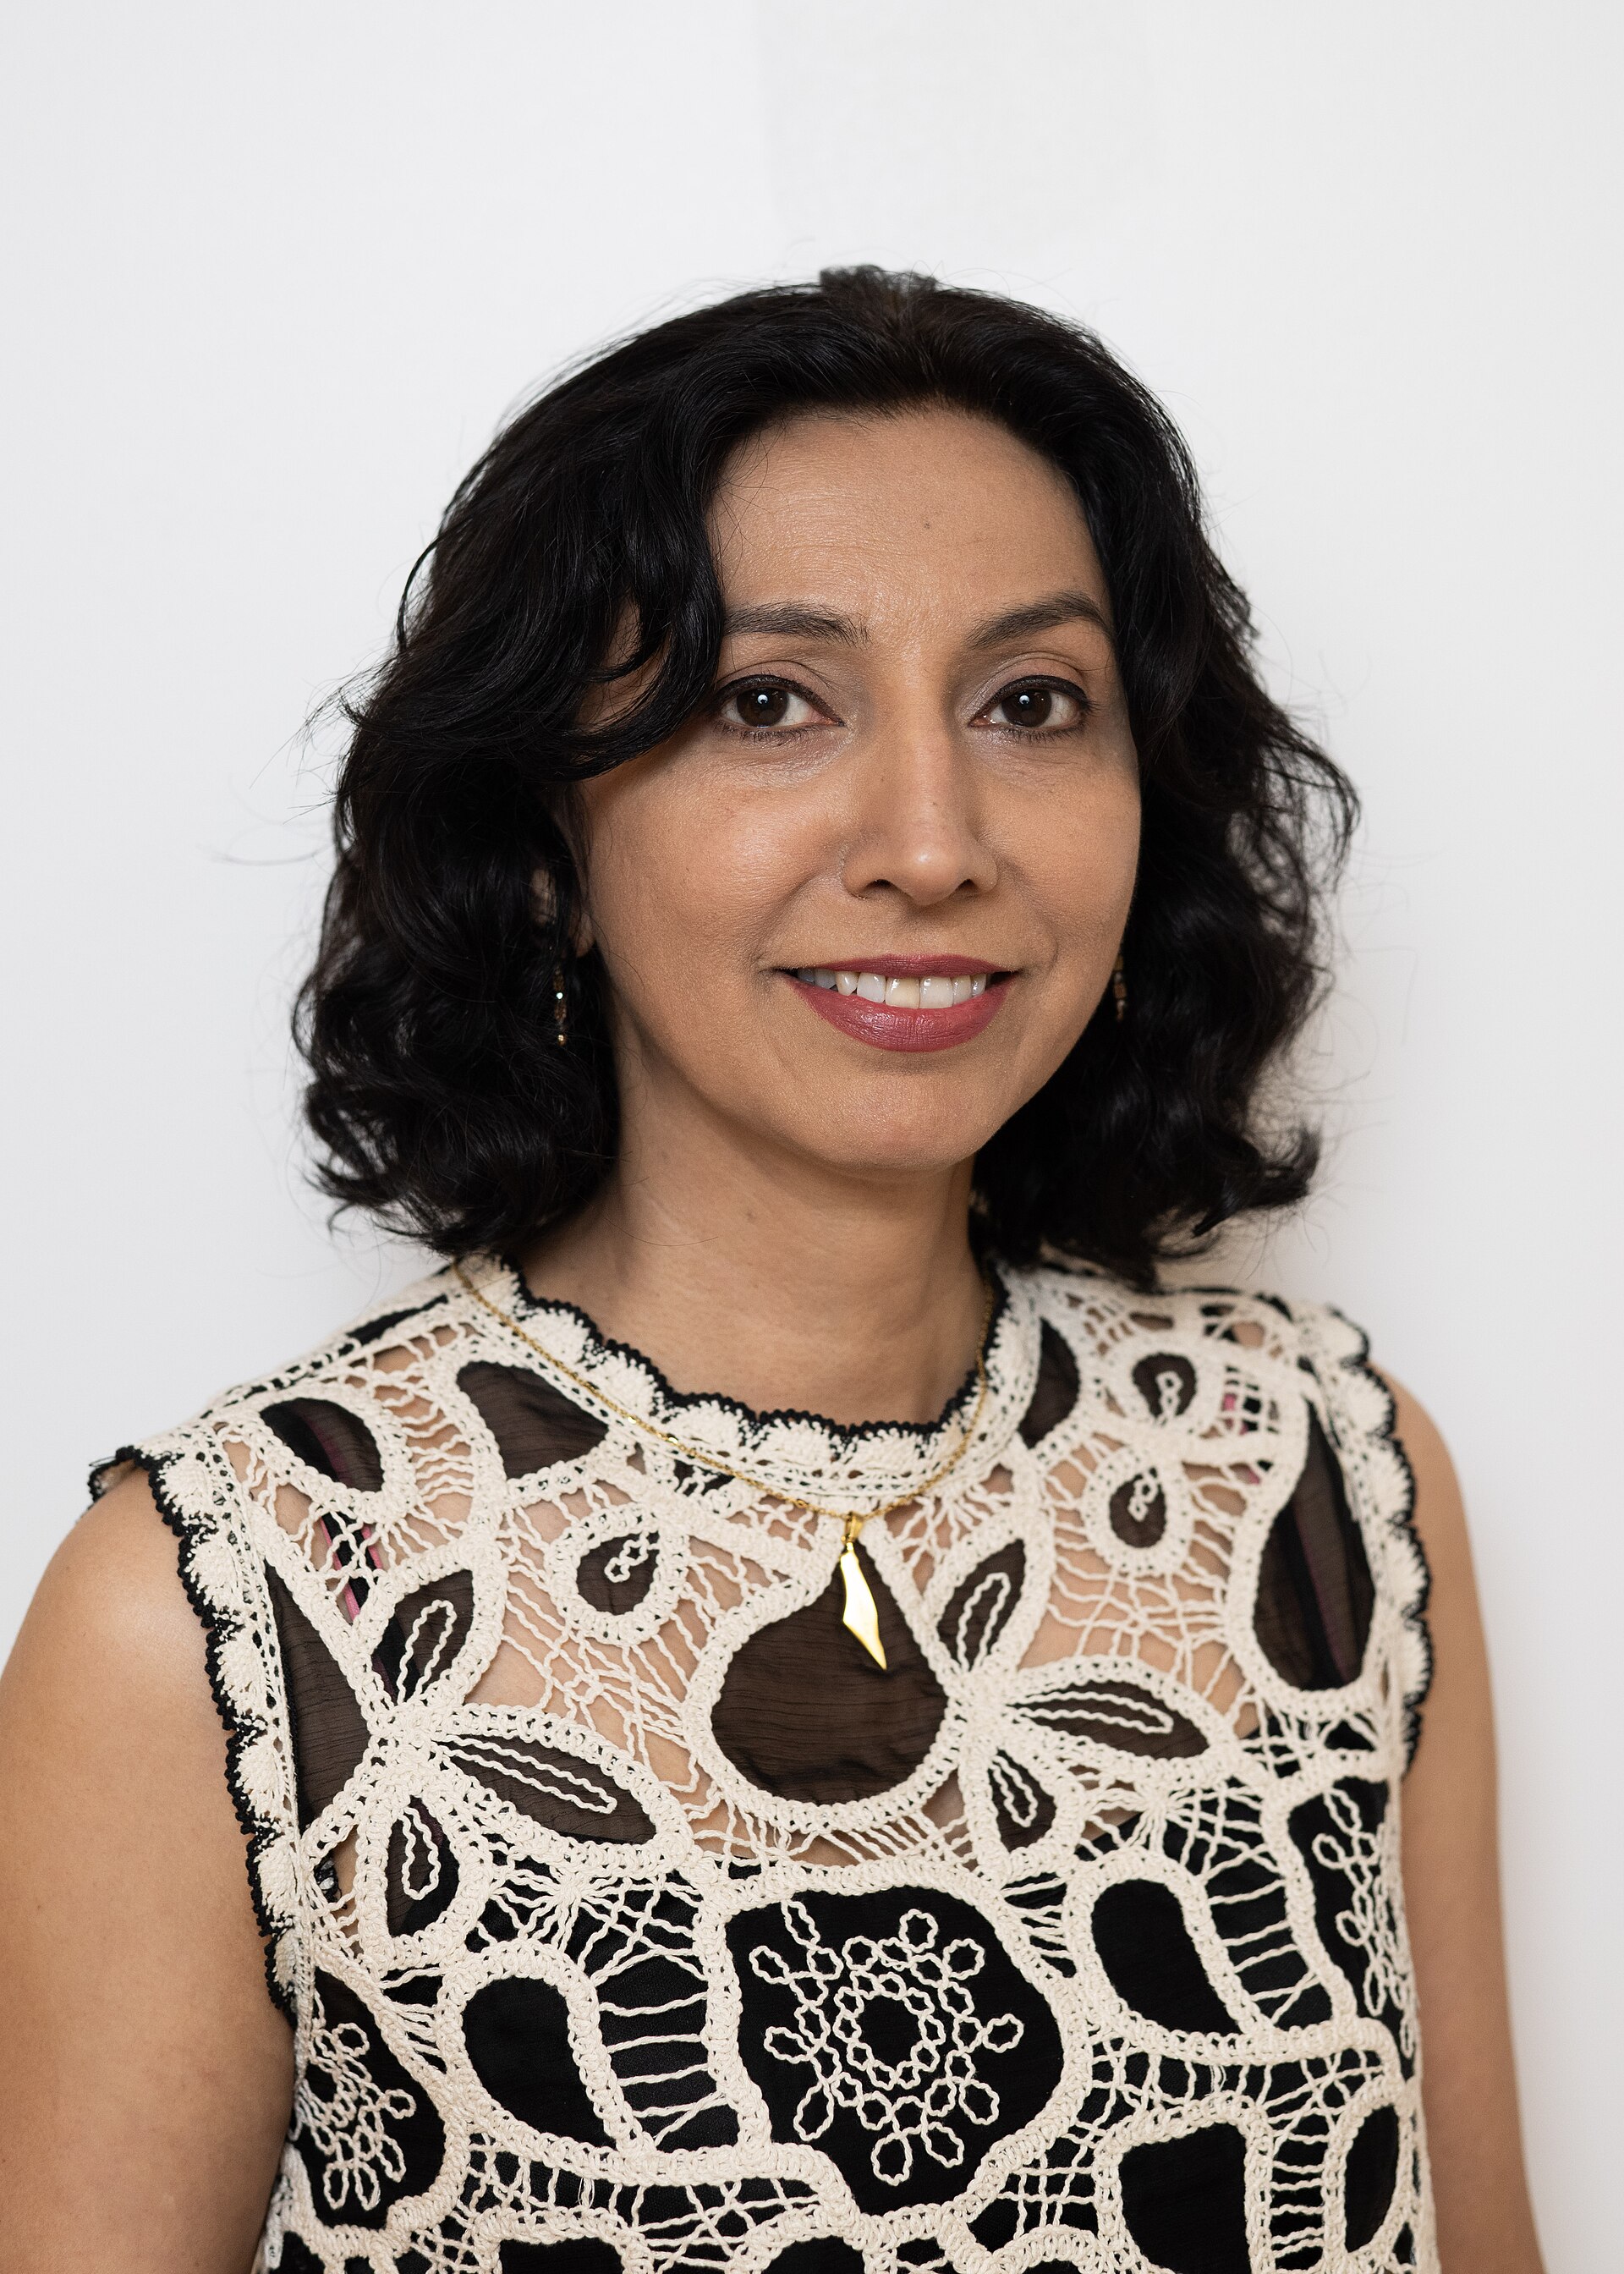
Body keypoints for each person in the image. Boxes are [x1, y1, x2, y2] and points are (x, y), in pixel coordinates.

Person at [0, 270, 1543, 2274]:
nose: (932, 838)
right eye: (766, 702)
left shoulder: (1321, 1480)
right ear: (548, 835)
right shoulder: (226, 1603)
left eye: (1031, 704)